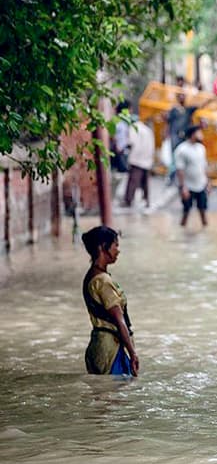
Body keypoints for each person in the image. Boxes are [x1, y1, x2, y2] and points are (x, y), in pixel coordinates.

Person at [81, 226, 138, 377]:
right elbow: (119, 321)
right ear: (102, 247)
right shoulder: (103, 281)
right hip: (110, 350)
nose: (118, 250)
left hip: (98, 347)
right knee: (117, 398)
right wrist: (133, 354)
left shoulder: (91, 276)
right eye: (115, 245)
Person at [174, 125, 210, 228]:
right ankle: (182, 231)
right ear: (193, 134)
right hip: (188, 186)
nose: (201, 135)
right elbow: (179, 169)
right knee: (186, 211)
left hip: (201, 184)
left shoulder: (201, 148)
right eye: (199, 132)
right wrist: (183, 187)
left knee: (203, 210)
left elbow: (203, 166)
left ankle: (205, 230)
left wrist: (207, 182)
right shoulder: (182, 149)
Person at [122, 117, 155, 209]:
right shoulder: (147, 129)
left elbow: (132, 143)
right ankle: (147, 200)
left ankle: (128, 200)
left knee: (133, 181)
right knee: (145, 182)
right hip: (147, 159)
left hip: (136, 159)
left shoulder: (133, 128)